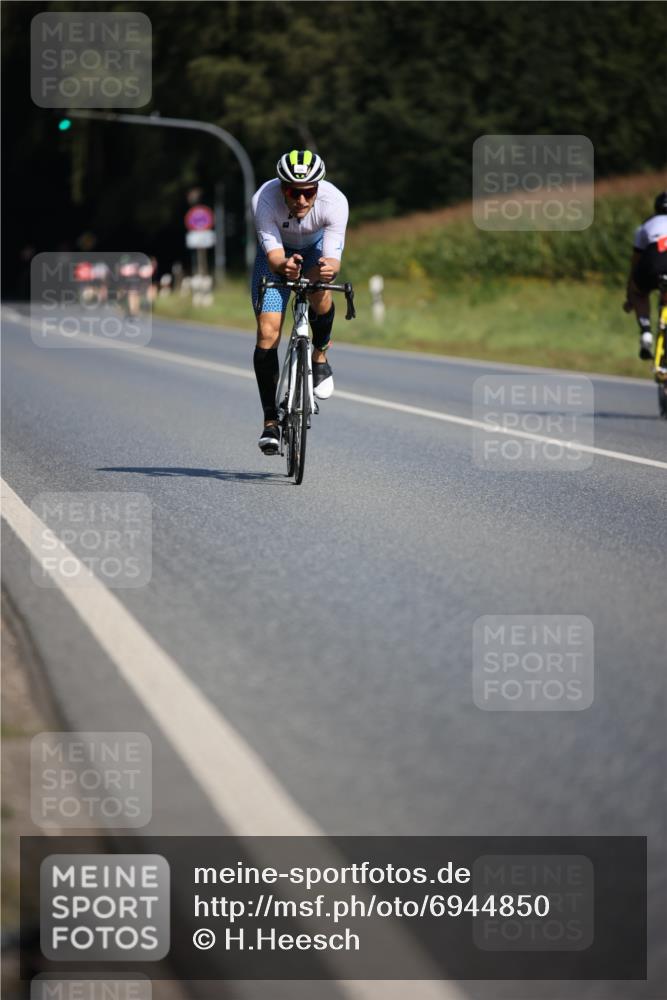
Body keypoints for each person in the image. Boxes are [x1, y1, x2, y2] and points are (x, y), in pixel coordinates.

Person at [251, 150, 349, 454]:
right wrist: (285, 267)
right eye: (295, 192)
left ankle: (319, 356)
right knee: (268, 333)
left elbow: (332, 259)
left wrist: (322, 270)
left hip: (316, 250)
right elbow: (275, 257)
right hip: (277, 257)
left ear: (318, 188)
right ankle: (270, 422)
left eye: (309, 192)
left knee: (322, 290)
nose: (302, 200)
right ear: (282, 187)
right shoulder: (264, 200)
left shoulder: (336, 202)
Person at [623, 191, 667, 364]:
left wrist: (630, 295)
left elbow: (635, 263)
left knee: (639, 292)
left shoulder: (645, 226)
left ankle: (646, 330)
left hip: (652, 261)